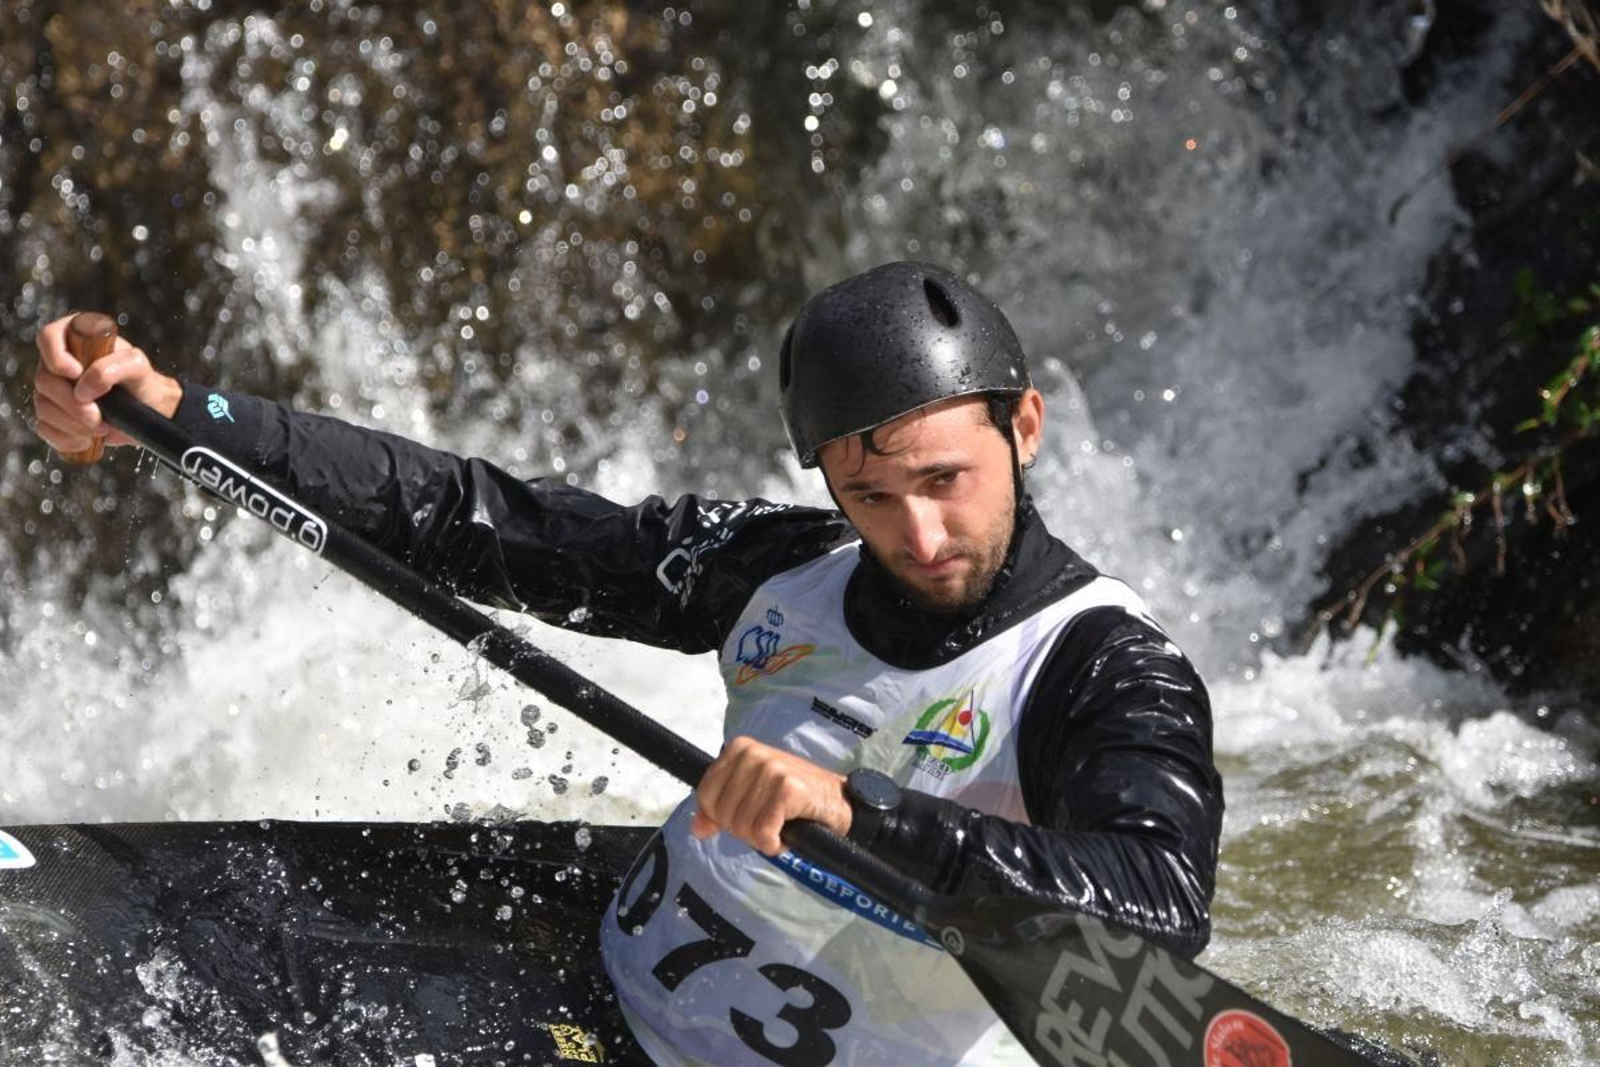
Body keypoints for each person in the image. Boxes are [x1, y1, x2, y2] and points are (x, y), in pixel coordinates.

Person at [32, 261, 1223, 1065]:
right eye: (869, 493)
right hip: (603, 977)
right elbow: (479, 518)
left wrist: (860, 810)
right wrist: (188, 418)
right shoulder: (777, 567)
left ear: (1021, 426)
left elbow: (1156, 907)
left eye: (944, 480)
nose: (914, 534)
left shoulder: (1107, 668)